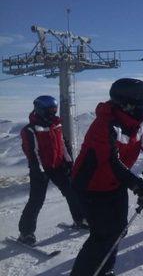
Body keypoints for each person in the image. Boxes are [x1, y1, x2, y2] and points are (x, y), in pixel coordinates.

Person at [70, 78, 143, 276]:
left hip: (114, 184)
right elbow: (111, 162)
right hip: (90, 186)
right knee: (102, 235)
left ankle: (105, 270)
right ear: (127, 104)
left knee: (118, 230)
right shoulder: (105, 125)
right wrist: (140, 186)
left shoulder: (137, 121)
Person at [17, 95, 87, 246]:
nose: (53, 114)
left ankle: (80, 218)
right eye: (49, 111)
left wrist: (69, 163)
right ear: (40, 110)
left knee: (71, 190)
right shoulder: (30, 130)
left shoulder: (56, 125)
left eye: (54, 110)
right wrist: (40, 171)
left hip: (57, 166)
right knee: (36, 200)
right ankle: (26, 232)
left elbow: (63, 145)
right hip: (40, 169)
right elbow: (32, 152)